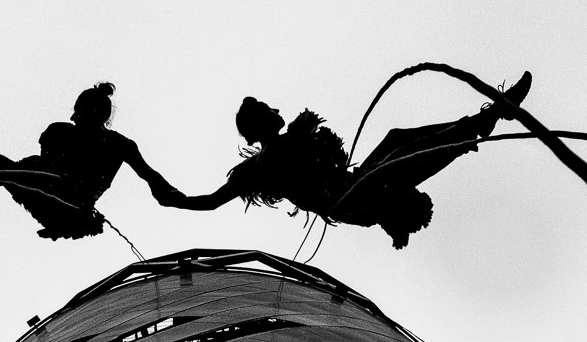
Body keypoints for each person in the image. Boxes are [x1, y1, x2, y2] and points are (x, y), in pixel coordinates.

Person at [163, 75, 530, 248]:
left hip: (353, 183)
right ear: (257, 126)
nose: (275, 109)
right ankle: (485, 121)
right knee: (399, 159)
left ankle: (484, 120)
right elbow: (210, 201)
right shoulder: (256, 170)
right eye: (266, 109)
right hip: (346, 200)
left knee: (396, 138)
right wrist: (168, 194)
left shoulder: (294, 137)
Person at [0, 82, 179, 241]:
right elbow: (32, 165)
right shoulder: (63, 133)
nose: (72, 116)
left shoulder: (120, 146)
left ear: (93, 114)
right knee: (7, 166)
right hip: (48, 197)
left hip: (70, 211)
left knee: (10, 168)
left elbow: (159, 187)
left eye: (77, 111)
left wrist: (215, 198)